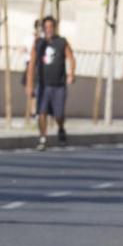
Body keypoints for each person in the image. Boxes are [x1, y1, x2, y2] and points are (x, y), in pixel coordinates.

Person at [26, 16, 75, 151]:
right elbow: (31, 64)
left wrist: (71, 73)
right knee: (41, 112)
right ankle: (43, 137)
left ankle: (60, 128)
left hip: (59, 84)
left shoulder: (62, 42)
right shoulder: (38, 43)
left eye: (50, 27)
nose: (48, 30)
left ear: (54, 28)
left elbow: (71, 58)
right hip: (43, 84)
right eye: (45, 27)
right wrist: (30, 85)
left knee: (58, 114)